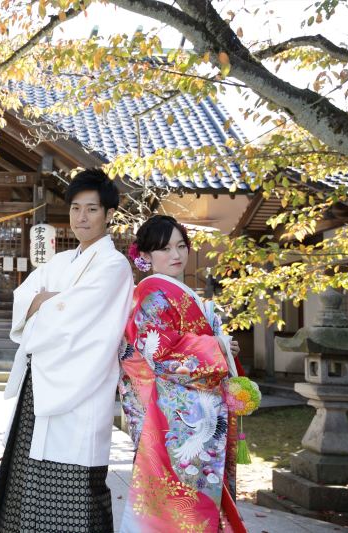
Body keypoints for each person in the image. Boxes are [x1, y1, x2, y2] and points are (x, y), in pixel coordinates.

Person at [0, 168, 134, 533]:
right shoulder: (61, 261)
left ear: (109, 214)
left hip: (79, 389)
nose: (82, 217)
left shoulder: (114, 266)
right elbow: (24, 299)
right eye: (76, 208)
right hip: (41, 385)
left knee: (75, 489)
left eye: (92, 209)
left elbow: (73, 320)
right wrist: (44, 302)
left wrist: (44, 304)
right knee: (26, 478)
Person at [117, 215, 247, 533]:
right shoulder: (150, 295)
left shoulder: (178, 294)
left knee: (199, 500)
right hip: (170, 417)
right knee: (182, 505)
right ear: (145, 257)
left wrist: (224, 349)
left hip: (190, 407)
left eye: (180, 246)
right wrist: (216, 345)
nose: (176, 255)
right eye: (164, 248)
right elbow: (159, 355)